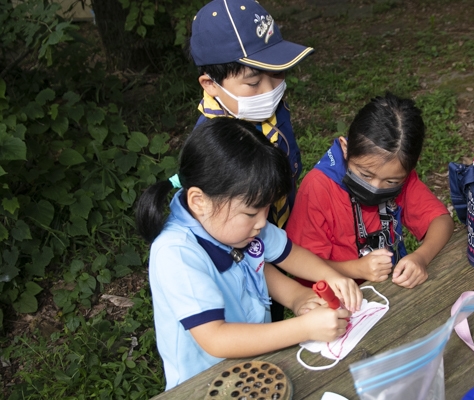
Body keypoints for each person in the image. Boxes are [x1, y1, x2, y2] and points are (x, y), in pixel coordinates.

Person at [136, 118, 362, 391]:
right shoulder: (176, 253)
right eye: (253, 212)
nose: (262, 222)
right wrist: (304, 328)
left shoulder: (233, 226)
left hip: (254, 369)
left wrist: (307, 290)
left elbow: (273, 260)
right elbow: (216, 339)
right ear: (199, 201)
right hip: (206, 387)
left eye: (267, 209)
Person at [286, 93, 454, 289]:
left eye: (391, 181)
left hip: (388, 289)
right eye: (365, 175)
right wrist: (357, 269)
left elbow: (442, 221)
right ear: (345, 148)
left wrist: (421, 257)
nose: (375, 188)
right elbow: (300, 264)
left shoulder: (401, 176)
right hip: (333, 298)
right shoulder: (318, 187)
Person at [189, 0, 313, 229]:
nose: (270, 90)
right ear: (210, 84)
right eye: (254, 82)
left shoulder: (273, 108)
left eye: (278, 73)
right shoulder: (213, 149)